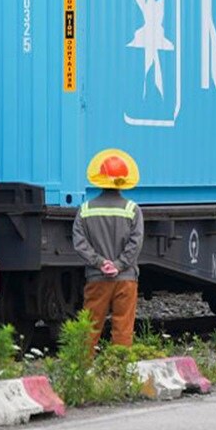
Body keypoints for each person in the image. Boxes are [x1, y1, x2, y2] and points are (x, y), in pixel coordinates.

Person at [72, 148, 144, 353]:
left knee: (90, 327)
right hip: (126, 279)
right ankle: (119, 366)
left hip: (97, 278)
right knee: (123, 329)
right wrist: (119, 265)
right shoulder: (132, 209)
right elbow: (136, 243)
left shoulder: (85, 209)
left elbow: (80, 243)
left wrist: (100, 262)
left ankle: (82, 366)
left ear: (99, 179)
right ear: (123, 180)